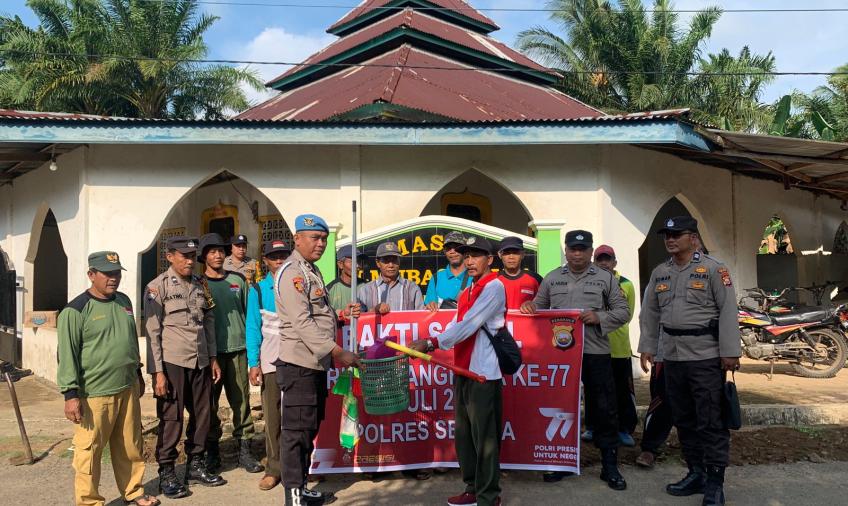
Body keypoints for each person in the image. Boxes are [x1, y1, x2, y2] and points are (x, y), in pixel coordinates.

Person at [638, 216, 741, 506]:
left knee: (710, 420)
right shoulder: (660, 272)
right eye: (667, 235)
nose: (670, 239)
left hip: (705, 356)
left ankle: (715, 484)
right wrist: (648, 347)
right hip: (672, 356)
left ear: (693, 238)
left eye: (677, 234)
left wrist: (730, 351)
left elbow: (728, 310)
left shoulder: (714, 269)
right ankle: (696, 473)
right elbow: (650, 313)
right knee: (683, 419)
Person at [520, 230, 630, 490]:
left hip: (595, 352)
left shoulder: (605, 278)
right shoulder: (552, 278)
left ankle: (609, 465)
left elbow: (623, 311)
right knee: (559, 407)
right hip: (560, 356)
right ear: (566, 251)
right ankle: (560, 462)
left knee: (604, 408)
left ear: (590, 251)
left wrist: (600, 317)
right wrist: (530, 306)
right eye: (573, 249)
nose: (577, 254)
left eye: (582, 249)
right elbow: (538, 306)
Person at [410, 236, 506, 506]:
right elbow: (456, 322)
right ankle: (472, 488)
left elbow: (469, 324)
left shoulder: (494, 287)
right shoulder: (469, 289)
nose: (470, 261)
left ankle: (489, 496)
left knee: (485, 439)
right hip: (463, 369)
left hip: (483, 373)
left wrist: (432, 342)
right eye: (467, 256)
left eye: (476, 255)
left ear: (490, 259)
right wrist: (430, 340)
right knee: (464, 436)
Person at [58, 252, 159, 506]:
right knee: (89, 453)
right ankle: (89, 502)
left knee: (130, 446)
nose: (113, 278)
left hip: (126, 387)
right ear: (91, 275)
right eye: (107, 273)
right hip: (94, 394)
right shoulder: (75, 310)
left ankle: (133, 492)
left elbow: (129, 340)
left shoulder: (124, 301)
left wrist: (137, 373)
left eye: (116, 273)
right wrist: (70, 395)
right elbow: (67, 355)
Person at [275, 214, 362, 506]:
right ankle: (294, 495)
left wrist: (341, 314)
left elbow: (319, 314)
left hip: (314, 364)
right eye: (314, 238)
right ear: (297, 238)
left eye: (324, 239)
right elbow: (302, 323)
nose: (321, 243)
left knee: (309, 429)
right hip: (299, 364)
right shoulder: (292, 273)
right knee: (296, 434)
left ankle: (302, 488)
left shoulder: (311, 271)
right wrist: (339, 352)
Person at [145, 236, 225, 498]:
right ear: (170, 257)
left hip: (200, 360)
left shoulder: (201, 284)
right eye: (184, 256)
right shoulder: (157, 287)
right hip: (173, 363)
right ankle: (167, 471)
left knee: (204, 414)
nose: (190, 261)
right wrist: (158, 372)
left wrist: (212, 357)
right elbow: (152, 332)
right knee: (172, 418)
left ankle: (196, 464)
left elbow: (209, 323)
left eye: (192, 256)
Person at [199, 233, 263, 475]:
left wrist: (254, 353)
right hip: (211, 355)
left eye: (220, 251)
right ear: (204, 256)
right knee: (209, 404)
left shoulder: (238, 280)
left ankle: (245, 450)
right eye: (211, 252)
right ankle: (212, 452)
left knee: (242, 403)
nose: (217, 255)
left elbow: (251, 316)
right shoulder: (199, 284)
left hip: (238, 350)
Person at [246, 240, 291, 490]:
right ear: (266, 261)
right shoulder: (259, 290)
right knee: (273, 417)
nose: (279, 260)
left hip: (298, 359)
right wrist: (254, 363)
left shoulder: (298, 284)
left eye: (283, 255)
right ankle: (274, 468)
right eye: (274, 257)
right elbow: (253, 327)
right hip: (271, 361)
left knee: (297, 417)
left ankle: (300, 467)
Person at [589, 245, 637, 447]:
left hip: (619, 347)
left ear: (614, 262)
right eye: (599, 260)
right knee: (594, 389)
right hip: (594, 345)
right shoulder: (589, 283)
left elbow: (628, 314)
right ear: (594, 263)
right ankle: (593, 426)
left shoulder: (625, 284)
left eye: (607, 259)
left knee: (622, 390)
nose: (604, 263)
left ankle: (624, 428)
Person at [357, 241, 424, 314]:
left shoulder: (412, 288)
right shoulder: (365, 290)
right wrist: (374, 310)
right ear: (378, 263)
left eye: (394, 260)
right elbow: (359, 318)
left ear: (399, 261)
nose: (391, 265)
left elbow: (422, 315)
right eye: (386, 260)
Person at [424, 231, 468, 310]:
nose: (452, 251)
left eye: (457, 247)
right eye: (448, 248)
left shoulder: (474, 276)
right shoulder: (436, 278)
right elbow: (430, 308)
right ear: (444, 251)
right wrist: (430, 305)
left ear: (465, 250)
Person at [496, 236, 542, 309]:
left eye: (515, 253)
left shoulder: (536, 279)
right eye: (507, 253)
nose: (511, 257)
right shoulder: (493, 280)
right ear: (500, 255)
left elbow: (545, 303)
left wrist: (534, 304)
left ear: (523, 255)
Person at [326, 244, 367, 320]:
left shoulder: (366, 287)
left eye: (358, 261)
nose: (357, 265)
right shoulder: (329, 290)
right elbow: (323, 316)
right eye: (353, 261)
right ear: (340, 264)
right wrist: (342, 314)